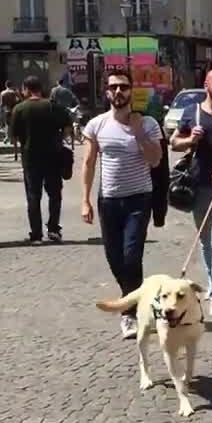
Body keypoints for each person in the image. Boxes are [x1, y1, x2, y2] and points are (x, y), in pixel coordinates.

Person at [81, 71, 165, 339]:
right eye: (113, 87)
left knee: (131, 256)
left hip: (139, 199)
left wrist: (138, 131)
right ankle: (137, 301)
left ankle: (129, 314)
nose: (118, 92)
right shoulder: (96, 125)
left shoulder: (149, 123)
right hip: (108, 201)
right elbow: (89, 162)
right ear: (106, 92)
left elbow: (155, 160)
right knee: (115, 259)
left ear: (131, 91)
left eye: (123, 87)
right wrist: (85, 200)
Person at [169, 67, 212, 318]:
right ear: (206, 84)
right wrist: (189, 140)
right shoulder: (192, 112)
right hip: (199, 183)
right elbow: (174, 142)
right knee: (206, 239)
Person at [12, 75, 73, 243]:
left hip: (30, 158)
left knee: (33, 196)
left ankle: (36, 233)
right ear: (40, 89)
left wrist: (20, 150)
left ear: (26, 89)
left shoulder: (19, 109)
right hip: (53, 157)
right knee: (54, 194)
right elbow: (68, 126)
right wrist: (60, 138)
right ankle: (53, 229)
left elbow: (14, 138)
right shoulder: (53, 106)